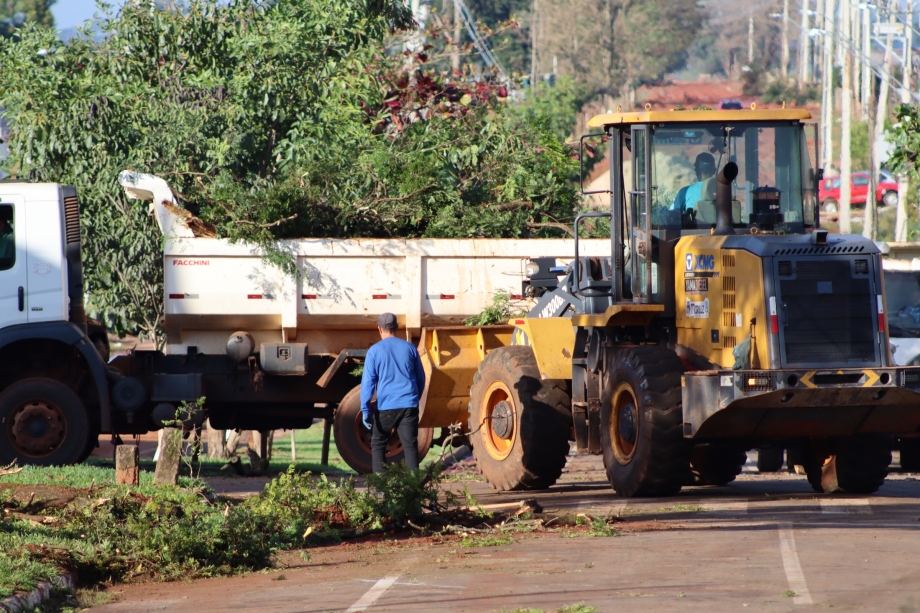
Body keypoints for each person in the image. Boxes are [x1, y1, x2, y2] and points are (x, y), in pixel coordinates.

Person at [360, 312, 426, 473]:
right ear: (397, 328)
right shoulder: (410, 348)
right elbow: (421, 378)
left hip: (387, 406)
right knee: (410, 445)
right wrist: (414, 399)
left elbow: (368, 384)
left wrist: (366, 410)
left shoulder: (374, 351)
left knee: (378, 443)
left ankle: (382, 488)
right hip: (409, 404)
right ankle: (414, 488)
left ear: (379, 329)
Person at [671, 153, 718, 223]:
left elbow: (673, 215)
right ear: (714, 170)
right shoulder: (725, 192)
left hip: (692, 232)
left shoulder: (685, 192)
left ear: (696, 170)